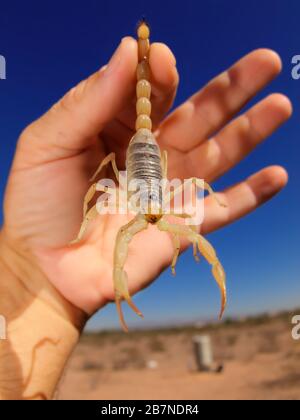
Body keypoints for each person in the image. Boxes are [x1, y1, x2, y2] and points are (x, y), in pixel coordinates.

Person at [0, 37, 292, 399]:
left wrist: (208, 198)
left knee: (192, 238)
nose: (156, 222)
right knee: (123, 221)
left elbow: (196, 194)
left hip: (152, 170)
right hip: (142, 168)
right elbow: (103, 193)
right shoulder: (140, 212)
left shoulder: (160, 209)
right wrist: (32, 269)